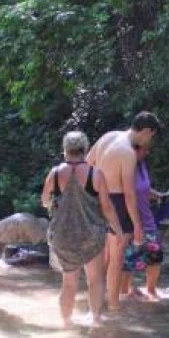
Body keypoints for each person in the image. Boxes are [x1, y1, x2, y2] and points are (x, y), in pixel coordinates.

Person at [44, 131, 124, 327]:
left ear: (65, 150)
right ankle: (95, 319)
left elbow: (45, 200)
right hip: (91, 235)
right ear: (85, 149)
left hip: (63, 236)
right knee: (95, 280)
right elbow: (107, 207)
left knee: (69, 283)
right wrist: (119, 231)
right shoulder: (95, 174)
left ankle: (66, 323)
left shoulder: (54, 174)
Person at [85, 112, 162, 309]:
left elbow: (87, 162)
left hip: (98, 199)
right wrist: (138, 225)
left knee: (103, 257)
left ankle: (96, 302)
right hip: (118, 202)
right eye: (151, 136)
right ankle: (113, 306)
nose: (149, 141)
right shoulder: (128, 152)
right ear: (146, 131)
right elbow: (129, 193)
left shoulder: (109, 136)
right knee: (116, 258)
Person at [122, 140, 166, 300]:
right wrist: (135, 224)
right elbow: (126, 193)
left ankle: (151, 291)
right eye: (145, 149)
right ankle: (124, 294)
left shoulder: (142, 166)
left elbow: (143, 188)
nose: (147, 152)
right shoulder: (125, 166)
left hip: (147, 220)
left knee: (155, 256)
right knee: (128, 260)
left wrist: (157, 195)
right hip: (129, 222)